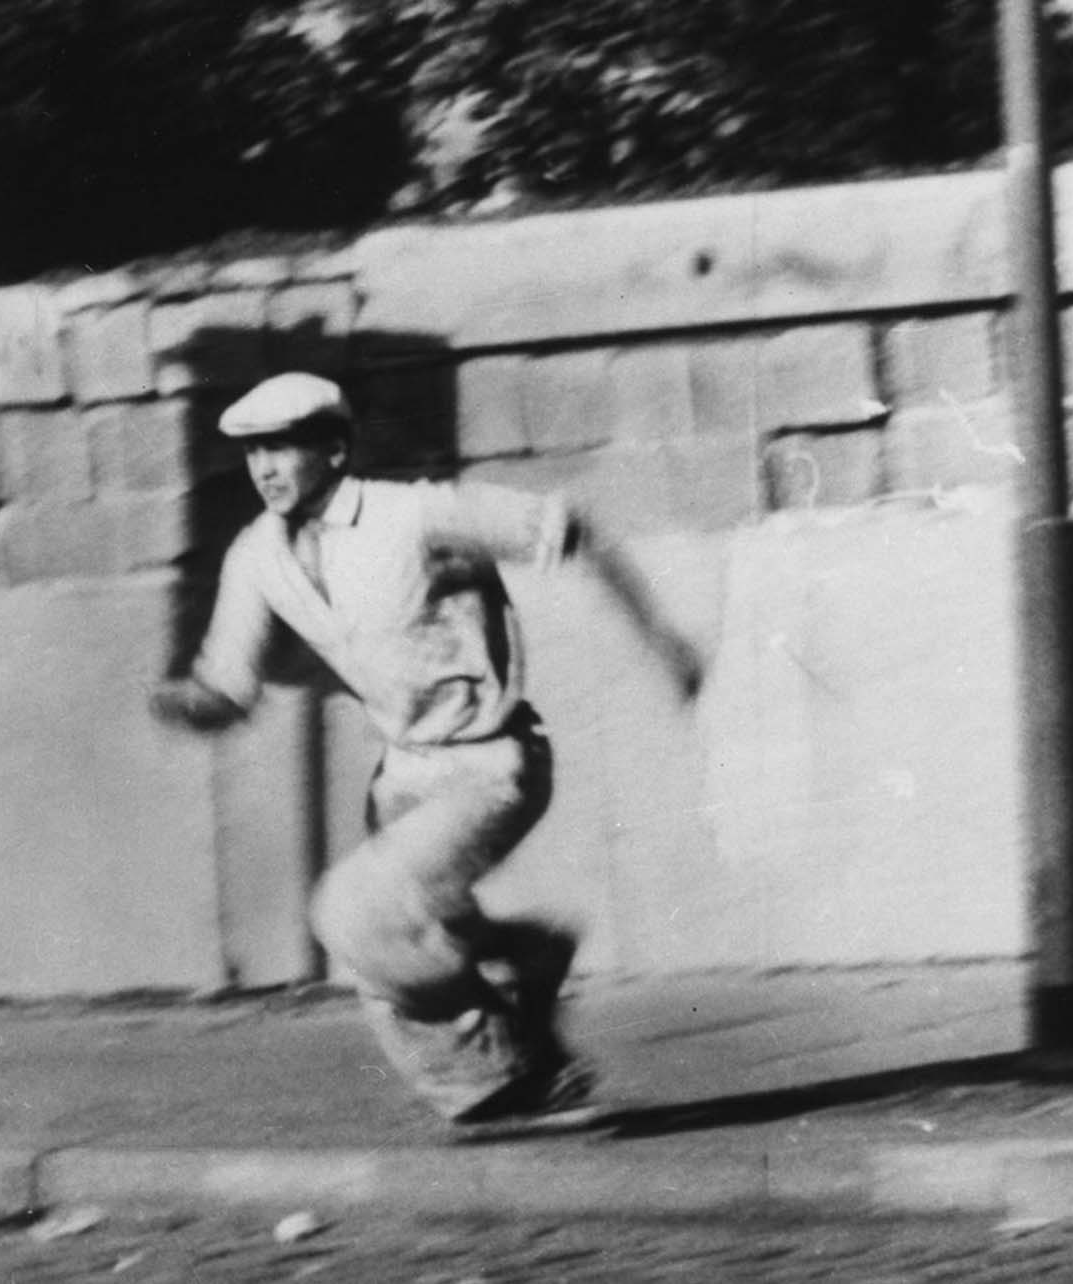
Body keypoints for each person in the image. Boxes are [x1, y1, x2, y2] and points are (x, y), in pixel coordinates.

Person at [151, 372, 699, 1127]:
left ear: (335, 450)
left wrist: (663, 640)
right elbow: (229, 684)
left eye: (283, 448)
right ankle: (492, 1081)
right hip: (401, 773)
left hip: (490, 762)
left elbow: (573, 530)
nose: (266, 468)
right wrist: (190, 705)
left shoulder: (419, 516)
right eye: (253, 453)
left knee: (355, 913)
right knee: (392, 957)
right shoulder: (257, 557)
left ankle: (531, 1067)